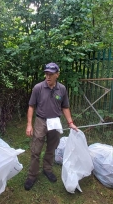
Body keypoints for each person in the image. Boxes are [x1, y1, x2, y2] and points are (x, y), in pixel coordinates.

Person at [24, 62, 78, 191]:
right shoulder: (38, 88)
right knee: (36, 150)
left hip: (55, 122)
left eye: (51, 74)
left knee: (51, 148)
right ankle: (32, 175)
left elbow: (65, 107)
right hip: (41, 121)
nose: (48, 77)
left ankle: (47, 169)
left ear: (57, 75)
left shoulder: (62, 89)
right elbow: (31, 106)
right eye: (46, 74)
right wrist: (29, 124)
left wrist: (70, 122)